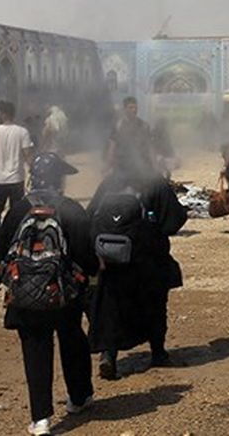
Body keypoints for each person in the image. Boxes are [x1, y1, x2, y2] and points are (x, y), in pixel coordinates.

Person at [0, 153, 96, 435]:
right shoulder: (71, 209)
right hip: (62, 295)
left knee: (35, 350)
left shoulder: (18, 209)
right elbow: (86, 254)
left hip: (25, 296)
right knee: (72, 339)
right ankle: (79, 397)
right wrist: (86, 281)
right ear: (59, 179)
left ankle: (41, 419)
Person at [87, 162, 188, 380]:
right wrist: (152, 233)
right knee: (155, 303)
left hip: (110, 260)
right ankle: (158, 353)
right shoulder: (155, 182)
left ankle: (108, 355)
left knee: (109, 308)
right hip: (147, 260)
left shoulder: (110, 181)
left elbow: (90, 216)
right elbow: (174, 220)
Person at [0, 101, 35, 235]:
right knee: (16, 212)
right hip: (16, 179)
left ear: (3, 114)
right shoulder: (22, 132)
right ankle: (13, 237)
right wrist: (33, 169)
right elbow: (28, 155)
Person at [106, 97, 154, 176]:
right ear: (125, 109)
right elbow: (112, 148)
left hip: (141, 166)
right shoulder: (118, 126)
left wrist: (155, 167)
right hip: (122, 167)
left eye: (135, 107)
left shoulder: (144, 126)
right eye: (131, 107)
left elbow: (150, 148)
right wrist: (108, 167)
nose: (134, 110)